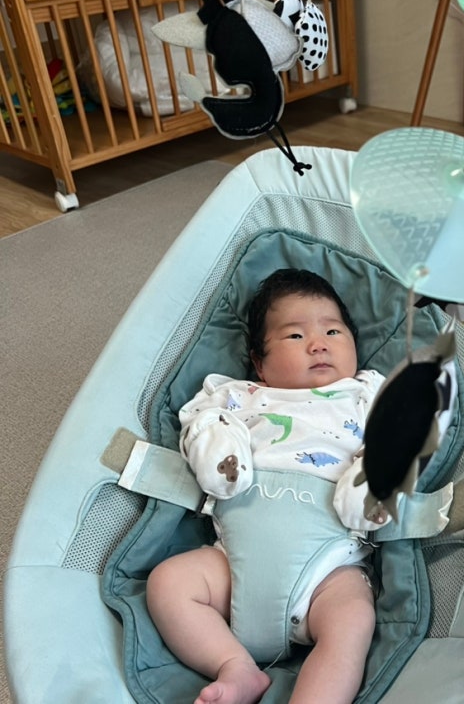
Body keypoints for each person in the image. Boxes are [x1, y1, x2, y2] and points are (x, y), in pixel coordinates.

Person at [146, 268, 393, 704]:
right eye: (295, 336)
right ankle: (234, 665)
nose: (318, 344)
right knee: (168, 583)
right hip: (234, 562)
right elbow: (199, 422)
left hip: (327, 571)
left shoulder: (365, 393)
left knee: (353, 619)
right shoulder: (239, 396)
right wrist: (217, 440)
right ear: (259, 364)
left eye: (333, 331)